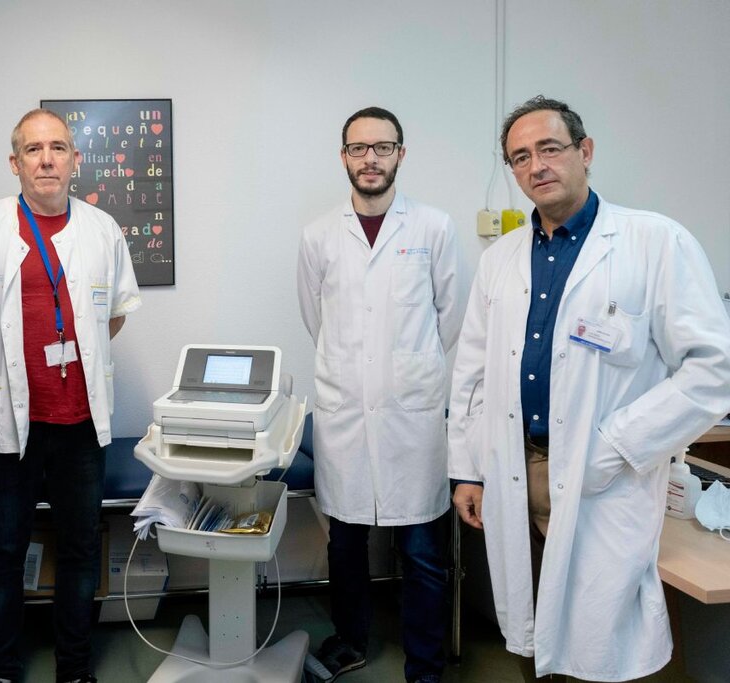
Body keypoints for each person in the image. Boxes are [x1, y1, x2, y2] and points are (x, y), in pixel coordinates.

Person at [449, 95, 730, 682]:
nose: (536, 166)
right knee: (532, 631)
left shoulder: (655, 242)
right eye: (520, 157)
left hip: (604, 471)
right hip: (513, 468)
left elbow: (712, 368)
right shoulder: (501, 259)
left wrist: (618, 444)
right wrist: (468, 469)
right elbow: (472, 372)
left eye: (549, 148)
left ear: (585, 151)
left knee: (602, 638)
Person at [0, 108, 141, 683]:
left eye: (58, 148)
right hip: (7, 426)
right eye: (33, 149)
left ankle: (74, 668)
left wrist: (76, 359)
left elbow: (114, 315)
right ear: (15, 163)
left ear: (76, 160)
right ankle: (2, 668)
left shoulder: (102, 229)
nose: (47, 159)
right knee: (4, 551)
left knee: (80, 549)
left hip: (79, 424)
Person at [297, 106, 461, 683]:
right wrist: (358, 370)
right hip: (345, 411)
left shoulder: (434, 228)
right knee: (345, 545)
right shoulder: (318, 235)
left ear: (400, 155)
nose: (371, 158)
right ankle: (350, 642)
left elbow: (450, 319)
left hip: (412, 416)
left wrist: (402, 372)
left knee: (422, 552)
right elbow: (315, 318)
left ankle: (425, 665)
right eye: (359, 148)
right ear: (344, 156)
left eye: (383, 147)